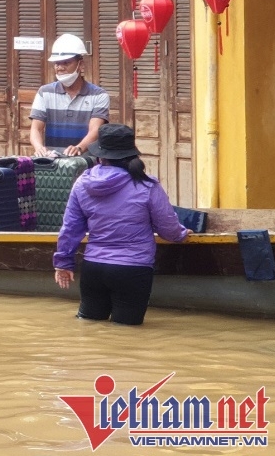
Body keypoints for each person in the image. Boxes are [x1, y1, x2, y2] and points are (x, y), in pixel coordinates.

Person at [53, 124, 190, 325]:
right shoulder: (147, 185)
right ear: (131, 154)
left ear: (100, 156)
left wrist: (63, 263)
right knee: (126, 335)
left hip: (94, 269)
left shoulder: (82, 183)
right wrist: (182, 234)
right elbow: (168, 227)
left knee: (89, 328)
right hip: (133, 270)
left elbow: (70, 228)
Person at [30, 33, 110, 157]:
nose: (60, 68)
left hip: (86, 163)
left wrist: (79, 148)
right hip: (52, 162)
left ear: (81, 64)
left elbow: (95, 130)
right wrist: (39, 148)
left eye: (66, 63)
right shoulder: (44, 92)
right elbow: (36, 129)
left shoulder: (99, 95)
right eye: (57, 63)